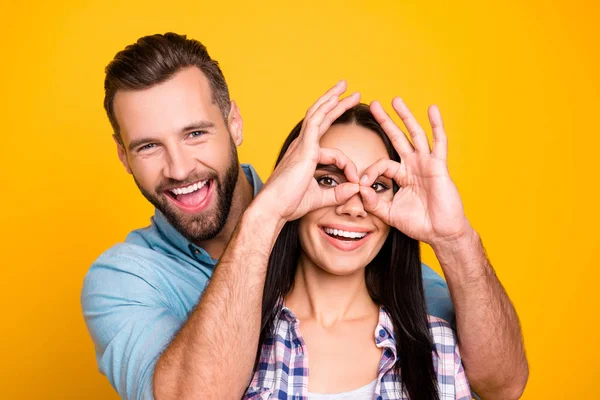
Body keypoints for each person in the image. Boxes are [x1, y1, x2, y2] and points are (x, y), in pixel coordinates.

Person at [81, 32, 528, 400]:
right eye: (147, 146)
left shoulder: (338, 237)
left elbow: (501, 382)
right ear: (124, 157)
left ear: (234, 122)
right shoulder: (123, 279)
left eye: (195, 133)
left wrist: (454, 239)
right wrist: (266, 216)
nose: (179, 169)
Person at [245, 102, 471, 399]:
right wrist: (264, 214)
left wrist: (453, 237)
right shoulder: (239, 342)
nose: (353, 208)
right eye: (327, 180)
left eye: (377, 186)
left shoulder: (438, 350)